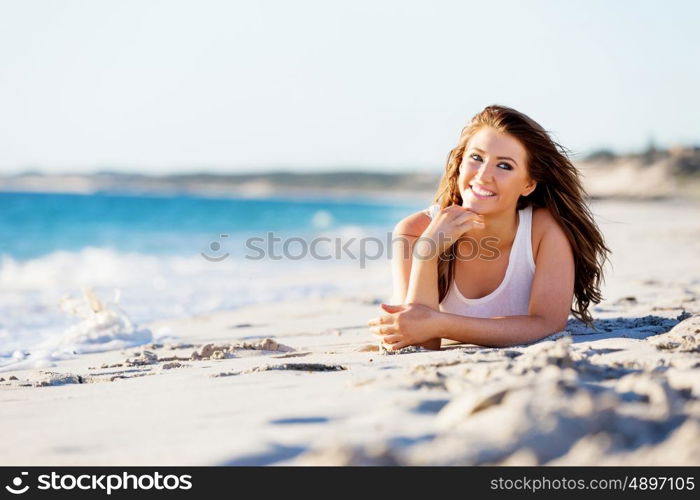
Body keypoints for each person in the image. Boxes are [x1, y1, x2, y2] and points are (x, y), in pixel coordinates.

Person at [368, 105, 611, 350]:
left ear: (527, 184)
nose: (484, 175)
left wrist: (439, 324)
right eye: (476, 158)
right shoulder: (414, 231)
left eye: (504, 166)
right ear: (460, 163)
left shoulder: (543, 231)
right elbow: (419, 342)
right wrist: (427, 253)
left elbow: (548, 325)